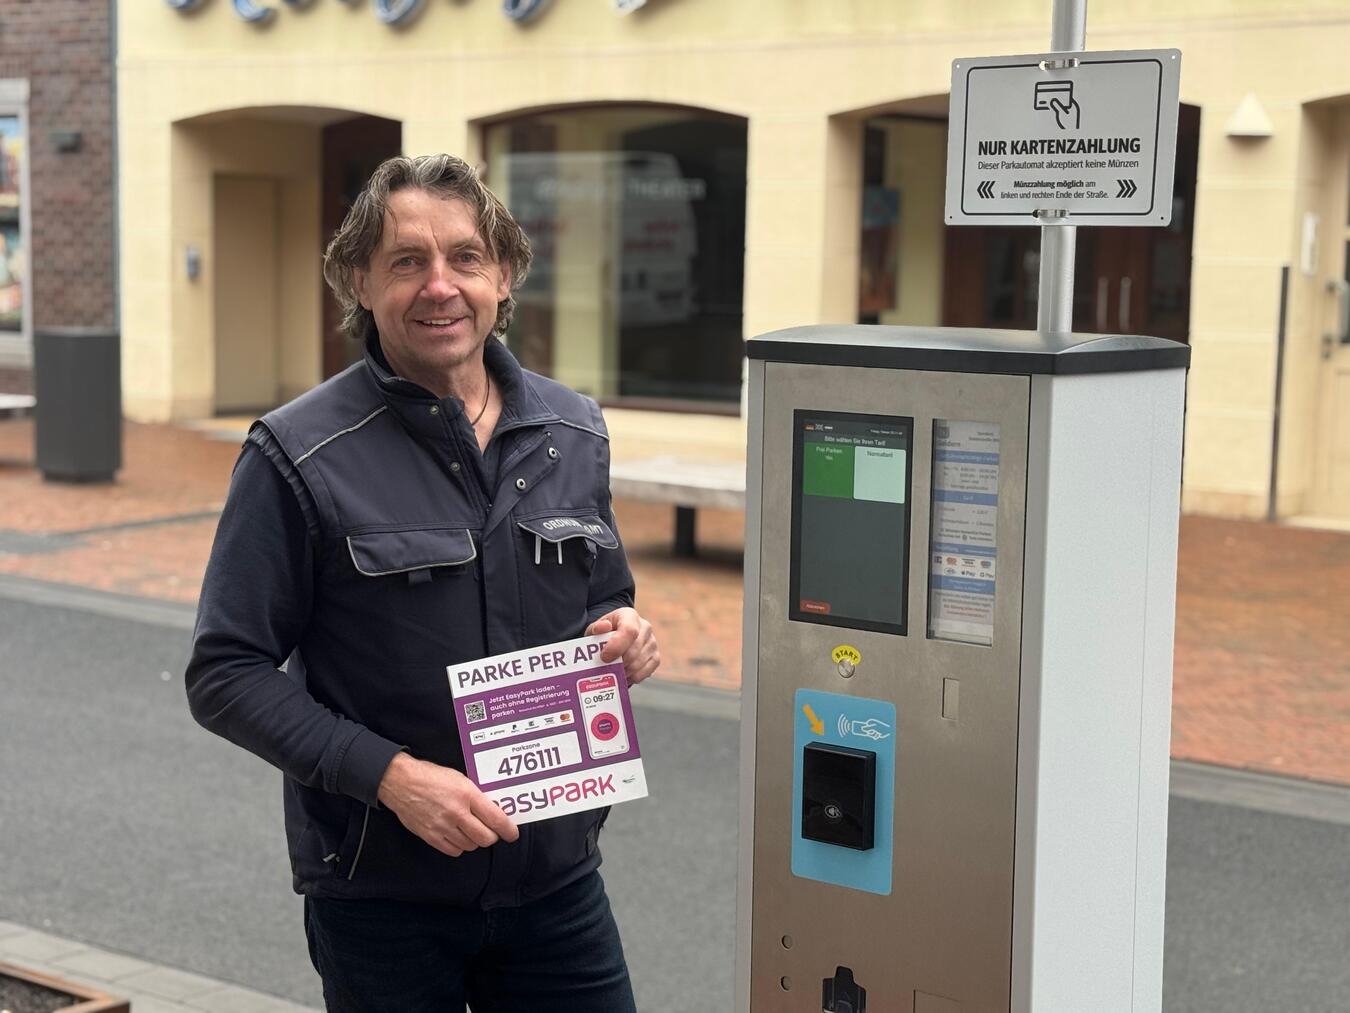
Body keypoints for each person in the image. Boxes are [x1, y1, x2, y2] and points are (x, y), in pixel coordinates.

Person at [186, 153, 660, 1012]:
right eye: (407, 261)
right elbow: (226, 672)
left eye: (465, 258)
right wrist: (393, 777)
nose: (439, 285)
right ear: (360, 280)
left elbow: (602, 592)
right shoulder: (297, 453)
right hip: (384, 898)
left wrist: (623, 628)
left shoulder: (571, 429)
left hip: (556, 879)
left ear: (504, 274)